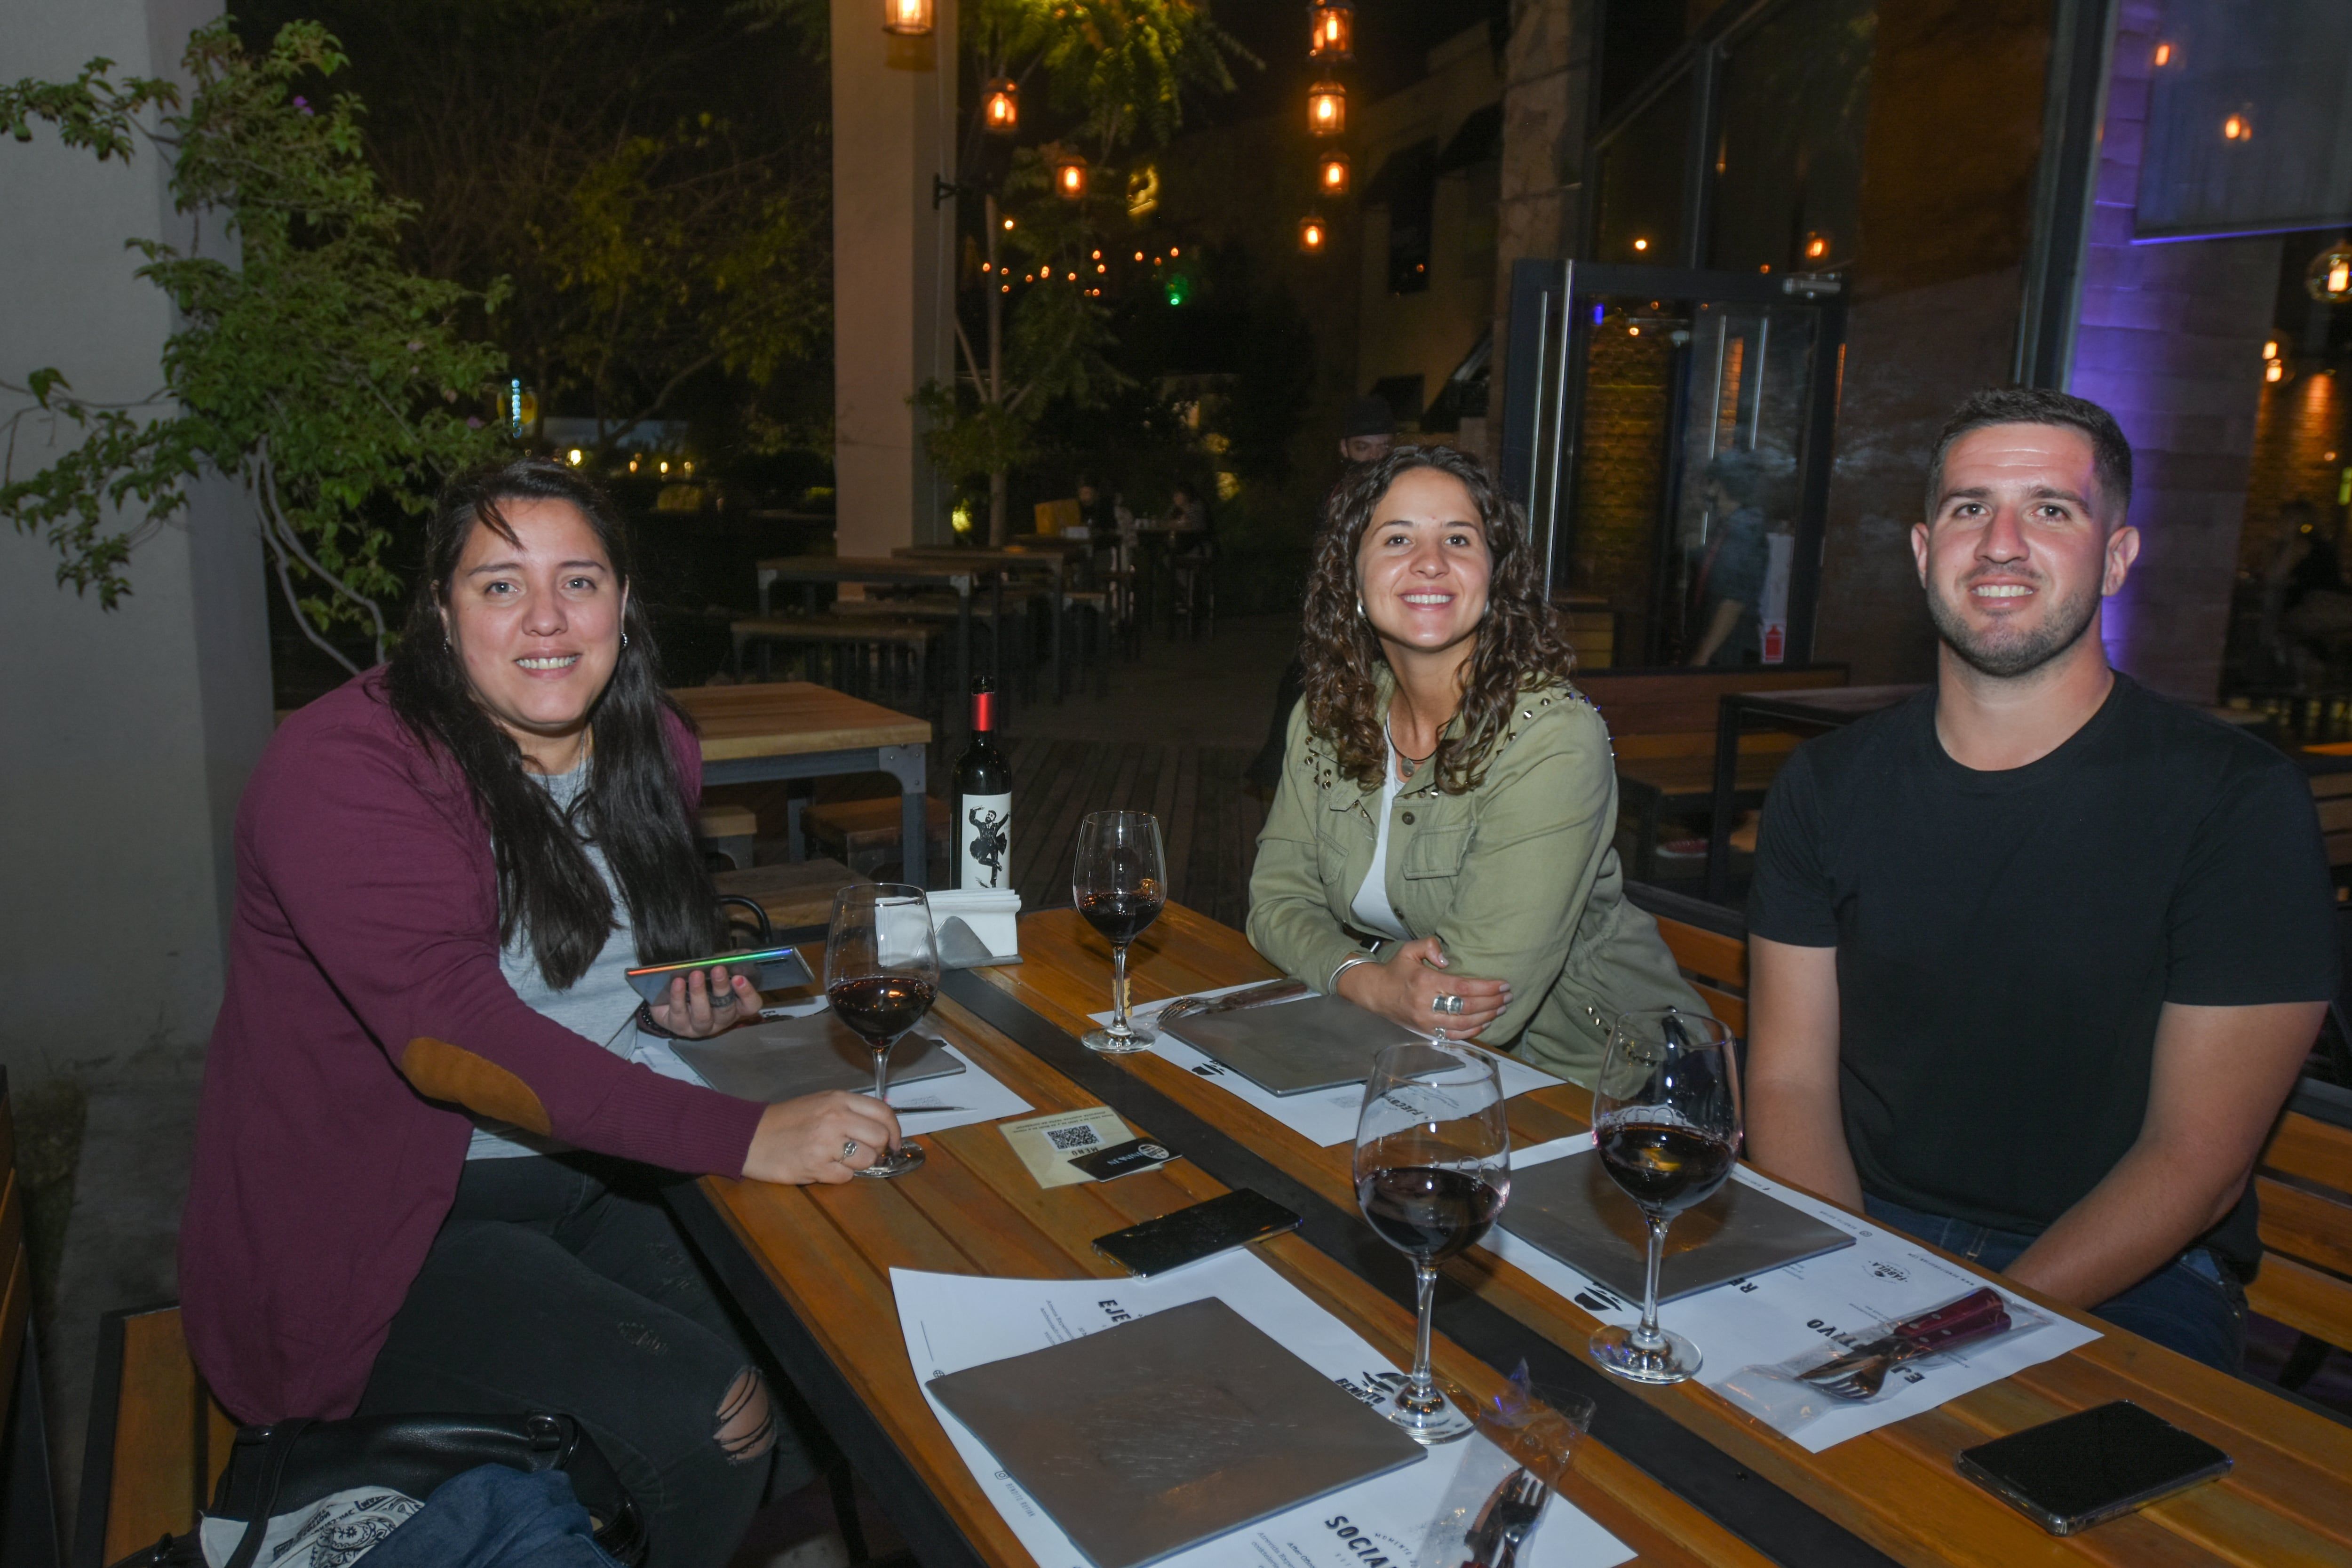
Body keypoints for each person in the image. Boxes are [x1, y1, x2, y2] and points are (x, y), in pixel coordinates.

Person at [182, 459, 902, 1567]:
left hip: (587, 1172)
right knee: (716, 1420)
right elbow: (453, 1038)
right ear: (441, 612)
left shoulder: (654, 746)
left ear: (623, 601)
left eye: (579, 579)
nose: (548, 618)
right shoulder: (345, 770)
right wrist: (745, 1132)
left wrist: (668, 1015)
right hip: (386, 1230)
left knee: (835, 1344)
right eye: (500, 585)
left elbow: (587, 974)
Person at [1745, 387, 2336, 1372]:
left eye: (2050, 509)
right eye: (1970, 507)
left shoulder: (2235, 800)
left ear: (2116, 557)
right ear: (1924, 551)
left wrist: (1944, 1333)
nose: (2002, 544)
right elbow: (1787, 1081)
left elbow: (2196, 1163)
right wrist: (1856, 1287)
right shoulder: (1826, 783)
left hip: (2131, 1266)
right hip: (1864, 1225)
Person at [1247, 446, 1704, 1083]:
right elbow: (1274, 903)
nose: (1430, 562)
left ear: (1495, 577)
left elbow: (1472, 1005)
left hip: (1603, 1084)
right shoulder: (1327, 718)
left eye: (1458, 539)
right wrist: (1368, 981)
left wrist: (1355, 972)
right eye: (1398, 538)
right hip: (1403, 1050)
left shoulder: (1551, 739)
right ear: (1352, 578)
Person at [1246, 395, 1401, 794]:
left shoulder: (1403, 493)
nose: (1375, 457)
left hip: (1389, 618)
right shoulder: (1337, 497)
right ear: (1345, 449)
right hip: (1341, 615)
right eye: (1364, 447)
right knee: (1304, 687)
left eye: (1384, 447)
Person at [1687, 453, 1770, 666]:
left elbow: (1733, 601)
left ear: (1723, 486)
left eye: (1712, 483)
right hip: (1720, 647)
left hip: (1730, 652)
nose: (1708, 491)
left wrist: (1703, 655)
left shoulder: (1746, 531)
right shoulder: (1728, 527)